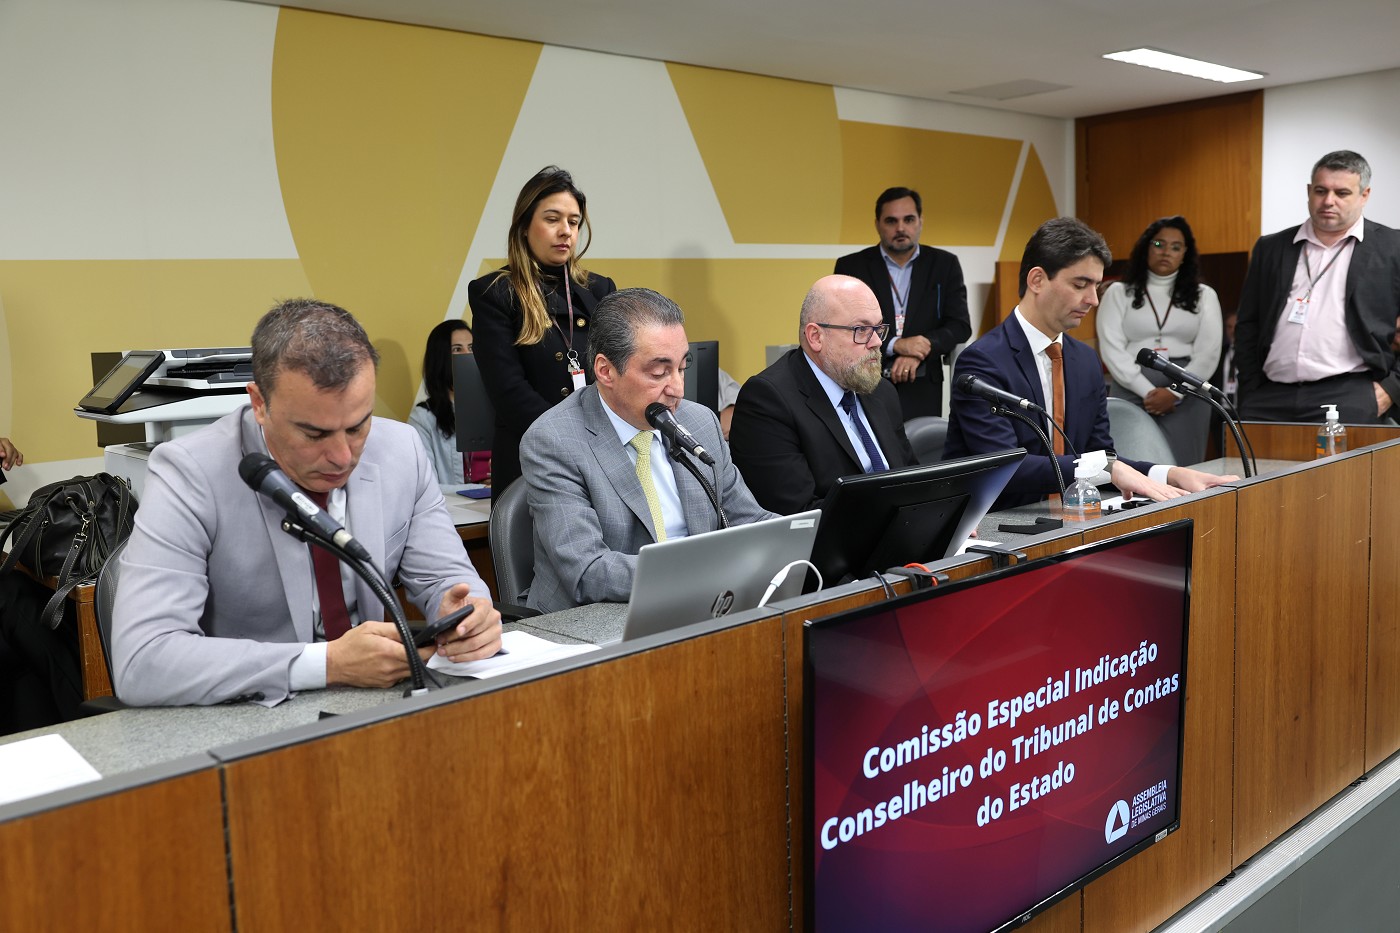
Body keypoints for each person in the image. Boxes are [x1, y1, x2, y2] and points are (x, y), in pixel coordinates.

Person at [110, 299, 503, 707]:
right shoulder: (190, 472)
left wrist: (467, 613)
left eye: (357, 427)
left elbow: (447, 579)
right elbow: (143, 661)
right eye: (314, 434)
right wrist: (328, 665)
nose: (342, 457)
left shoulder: (402, 449)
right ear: (259, 404)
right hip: (251, 714)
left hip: (377, 703)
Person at [944, 218, 1236, 509]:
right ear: (1037, 280)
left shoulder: (1084, 359)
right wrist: (1106, 468)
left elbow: (1099, 457)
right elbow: (1006, 467)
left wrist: (1170, 474)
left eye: (1096, 285)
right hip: (998, 522)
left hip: (1072, 518)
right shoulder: (983, 362)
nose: (1093, 300)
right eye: (1080, 285)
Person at [519, 288, 773, 614]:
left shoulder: (699, 422)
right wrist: (702, 572)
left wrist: (804, 540)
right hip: (593, 620)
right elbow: (588, 571)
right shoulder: (554, 440)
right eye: (658, 373)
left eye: (682, 367)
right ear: (605, 371)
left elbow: (750, 520)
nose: (677, 388)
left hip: (701, 604)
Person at [470, 166, 617, 492]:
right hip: (531, 461)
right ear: (524, 226)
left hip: (601, 459)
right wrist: (574, 441)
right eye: (552, 219)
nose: (566, 231)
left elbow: (619, 373)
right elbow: (510, 393)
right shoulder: (495, 293)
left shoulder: (600, 289)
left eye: (574, 222)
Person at [1235, 150, 1400, 424]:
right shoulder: (1271, 247)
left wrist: (1391, 389)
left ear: (1365, 195)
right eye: (1321, 191)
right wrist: (1251, 386)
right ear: (1309, 191)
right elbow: (1248, 323)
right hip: (1268, 396)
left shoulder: (1392, 247)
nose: (1328, 201)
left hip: (1351, 395)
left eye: (1342, 193)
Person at [729, 275, 916, 514]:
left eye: (878, 328)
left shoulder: (881, 391)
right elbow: (798, 514)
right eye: (861, 330)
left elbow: (911, 476)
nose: (876, 342)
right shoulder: (768, 400)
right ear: (816, 337)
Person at [834, 186, 971, 419]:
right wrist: (895, 344)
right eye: (891, 221)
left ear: (920, 221)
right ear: (877, 224)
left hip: (923, 383)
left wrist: (921, 347)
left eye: (908, 219)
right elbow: (845, 327)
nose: (900, 228)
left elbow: (960, 325)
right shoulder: (852, 266)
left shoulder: (944, 264)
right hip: (867, 380)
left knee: (922, 442)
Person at [1096, 216, 1223, 464]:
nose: (1166, 252)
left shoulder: (1204, 295)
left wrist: (1175, 393)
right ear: (1146, 248)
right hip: (1131, 383)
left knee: (1186, 468)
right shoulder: (1118, 292)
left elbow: (1209, 353)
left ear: (1185, 254)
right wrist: (1148, 392)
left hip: (1188, 385)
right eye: (1159, 244)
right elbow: (1111, 348)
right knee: (1130, 466)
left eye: (1176, 247)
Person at [409, 319, 491, 485]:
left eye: (472, 348)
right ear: (440, 358)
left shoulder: (495, 406)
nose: (467, 355)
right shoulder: (423, 418)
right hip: (460, 501)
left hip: (502, 498)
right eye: (457, 349)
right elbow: (428, 486)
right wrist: (478, 490)